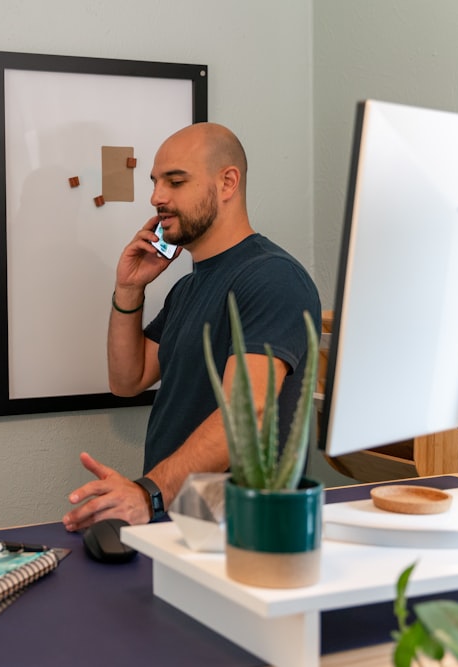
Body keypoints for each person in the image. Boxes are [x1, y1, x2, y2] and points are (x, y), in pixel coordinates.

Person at [62, 122, 321, 532]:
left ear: (227, 182)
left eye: (175, 181)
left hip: (239, 531)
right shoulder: (187, 287)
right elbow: (128, 379)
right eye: (155, 182)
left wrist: (149, 491)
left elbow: (246, 412)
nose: (156, 197)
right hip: (176, 519)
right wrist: (128, 289)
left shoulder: (272, 277)